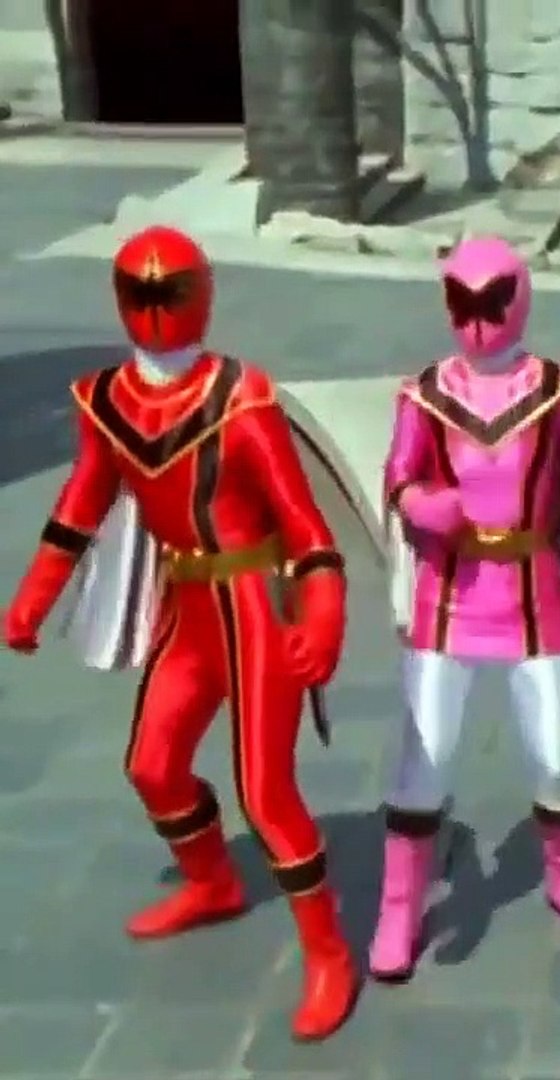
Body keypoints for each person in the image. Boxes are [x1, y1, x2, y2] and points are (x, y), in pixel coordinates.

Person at [1, 225, 357, 1041]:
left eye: (172, 293)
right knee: (153, 765)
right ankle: (213, 882)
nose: (158, 310)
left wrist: (324, 612)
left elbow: (305, 526)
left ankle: (328, 951)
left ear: (202, 295)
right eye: (142, 294)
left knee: (266, 793)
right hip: (187, 608)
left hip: (254, 608)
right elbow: (83, 501)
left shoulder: (244, 399)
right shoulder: (104, 401)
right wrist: (32, 598)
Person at [371, 236, 560, 982]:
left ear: (519, 300)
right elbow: (398, 475)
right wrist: (422, 505)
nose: (478, 321)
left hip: (533, 594)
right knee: (424, 761)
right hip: (446, 597)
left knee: (557, 757)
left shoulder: (558, 390)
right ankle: (399, 905)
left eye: (492, 302)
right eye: (463, 303)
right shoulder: (424, 394)